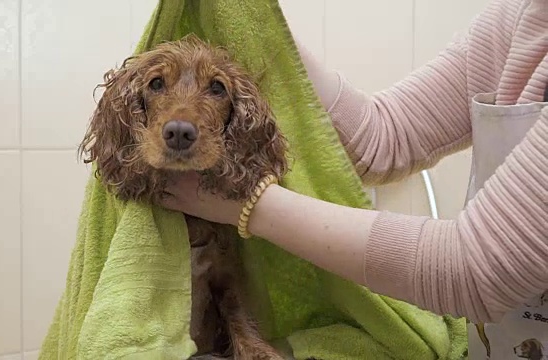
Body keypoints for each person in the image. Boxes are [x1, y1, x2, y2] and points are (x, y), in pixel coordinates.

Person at [161, 0, 547, 357]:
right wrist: (256, 19)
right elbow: (383, 137)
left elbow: (477, 268)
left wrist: (251, 206)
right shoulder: (524, 16)